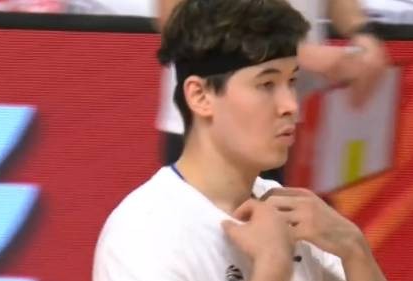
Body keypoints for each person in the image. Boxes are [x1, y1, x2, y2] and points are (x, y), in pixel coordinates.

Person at [91, 1, 413, 281]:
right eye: (266, 84)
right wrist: (272, 269)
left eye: (292, 81)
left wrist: (354, 249)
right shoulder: (143, 234)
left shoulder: (289, 213)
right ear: (200, 96)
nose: (291, 106)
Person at [155, 0, 389, 181]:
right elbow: (177, 20)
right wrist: (301, 53)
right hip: (216, 123)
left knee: (271, 219)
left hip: (287, 122)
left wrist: (362, 31)